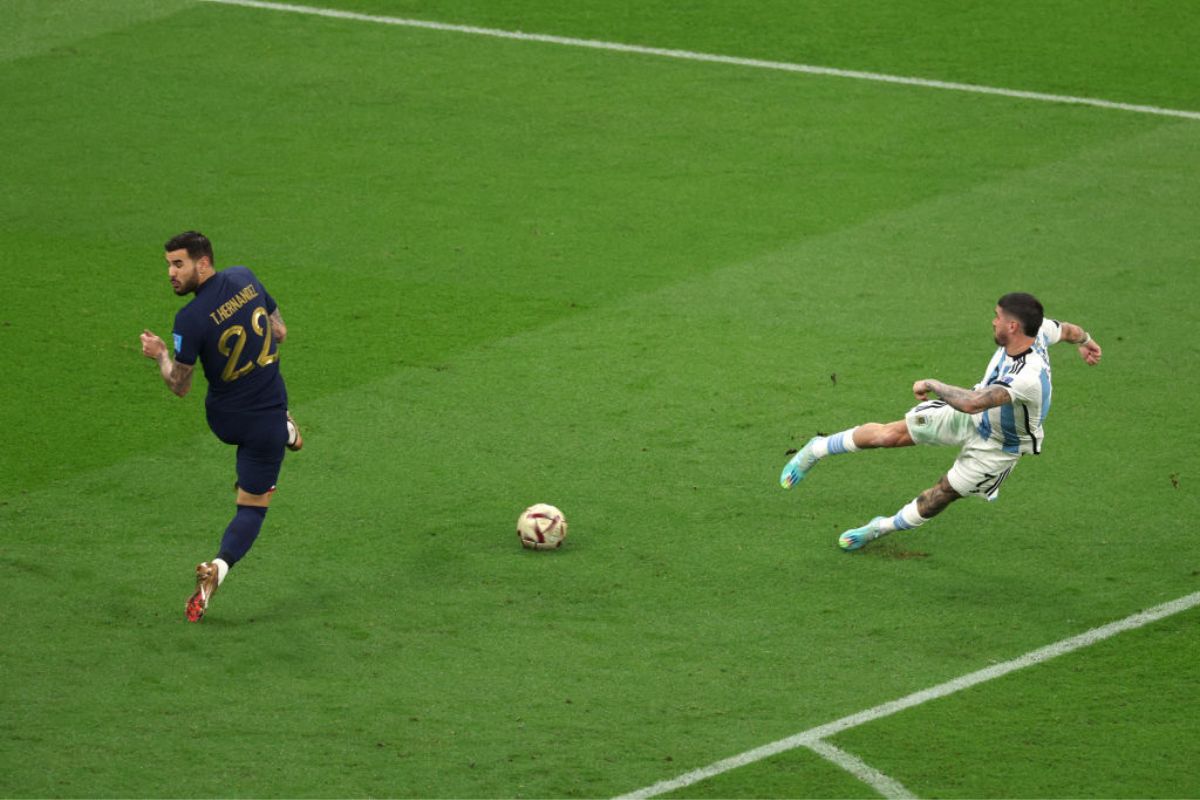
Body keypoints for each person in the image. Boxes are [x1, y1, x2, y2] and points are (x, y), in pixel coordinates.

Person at [780, 292, 1102, 551]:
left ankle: (881, 527)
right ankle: (817, 449)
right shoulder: (1039, 329)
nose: (993, 322)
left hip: (998, 447)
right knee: (892, 434)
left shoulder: (1028, 378)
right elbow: (1068, 331)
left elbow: (974, 404)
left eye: (997, 317)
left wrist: (934, 384)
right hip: (972, 414)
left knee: (942, 493)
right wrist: (1086, 341)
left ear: (1013, 327)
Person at [140, 231, 302, 621]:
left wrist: (162, 354)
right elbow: (279, 332)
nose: (171, 273)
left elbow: (180, 385)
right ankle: (285, 429)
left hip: (226, 420)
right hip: (264, 422)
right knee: (251, 509)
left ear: (203, 262)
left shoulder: (190, 318)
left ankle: (216, 570)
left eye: (178, 264)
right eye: (168, 265)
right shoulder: (245, 276)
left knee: (264, 416)